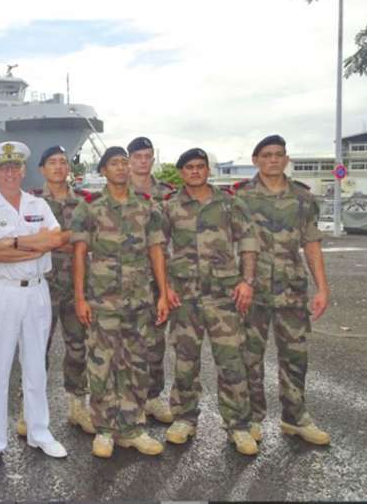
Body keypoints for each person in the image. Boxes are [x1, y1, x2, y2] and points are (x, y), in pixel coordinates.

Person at [0, 141, 68, 469]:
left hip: (37, 292)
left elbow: (55, 240)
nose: (9, 172)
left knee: (36, 365)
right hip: (0, 293)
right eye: (3, 167)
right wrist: (33, 246)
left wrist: (14, 241)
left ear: (23, 170)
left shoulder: (39, 205)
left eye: (14, 167)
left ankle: (40, 431)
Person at [71, 146, 169, 458]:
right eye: (114, 163)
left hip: (139, 300)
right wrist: (80, 297)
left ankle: (131, 427)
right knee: (102, 364)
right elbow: (79, 254)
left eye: (125, 163)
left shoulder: (146, 207)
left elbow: (156, 251)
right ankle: (104, 429)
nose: (122, 168)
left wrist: (163, 293)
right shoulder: (90, 209)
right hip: (103, 302)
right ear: (102, 171)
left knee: (136, 364)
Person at [161, 148, 259, 455]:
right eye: (189, 167)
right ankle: (184, 418)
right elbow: (158, 249)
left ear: (207, 170)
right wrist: (165, 288)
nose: (194, 171)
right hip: (185, 296)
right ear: (181, 172)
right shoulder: (170, 207)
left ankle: (239, 426)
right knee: (185, 361)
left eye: (200, 166)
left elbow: (248, 243)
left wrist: (247, 281)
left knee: (231, 361)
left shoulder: (229, 204)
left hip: (223, 296)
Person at [234, 134, 331, 445]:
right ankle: (252, 418)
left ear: (286, 159)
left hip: (291, 289)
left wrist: (322, 289)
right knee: (250, 355)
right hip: (254, 291)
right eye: (266, 155)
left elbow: (312, 244)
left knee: (295, 355)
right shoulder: (242, 198)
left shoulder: (303, 199)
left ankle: (295, 417)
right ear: (255, 160)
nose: (273, 160)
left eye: (278, 154)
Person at [16, 146, 94, 437]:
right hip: (41, 287)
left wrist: (49, 241)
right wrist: (68, 241)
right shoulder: (31, 204)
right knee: (36, 348)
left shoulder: (85, 204)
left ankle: (77, 406)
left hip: (77, 287)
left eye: (63, 162)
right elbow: (26, 241)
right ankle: (28, 409)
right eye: (52, 163)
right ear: (42, 169)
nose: (59, 167)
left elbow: (92, 241)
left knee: (78, 347)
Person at [127, 136, 175, 424]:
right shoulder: (118, 192)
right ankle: (131, 400)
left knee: (156, 341)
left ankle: (153, 397)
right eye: (138, 157)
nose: (143, 161)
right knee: (128, 341)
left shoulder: (167, 194)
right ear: (130, 160)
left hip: (159, 278)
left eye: (147, 156)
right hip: (128, 279)